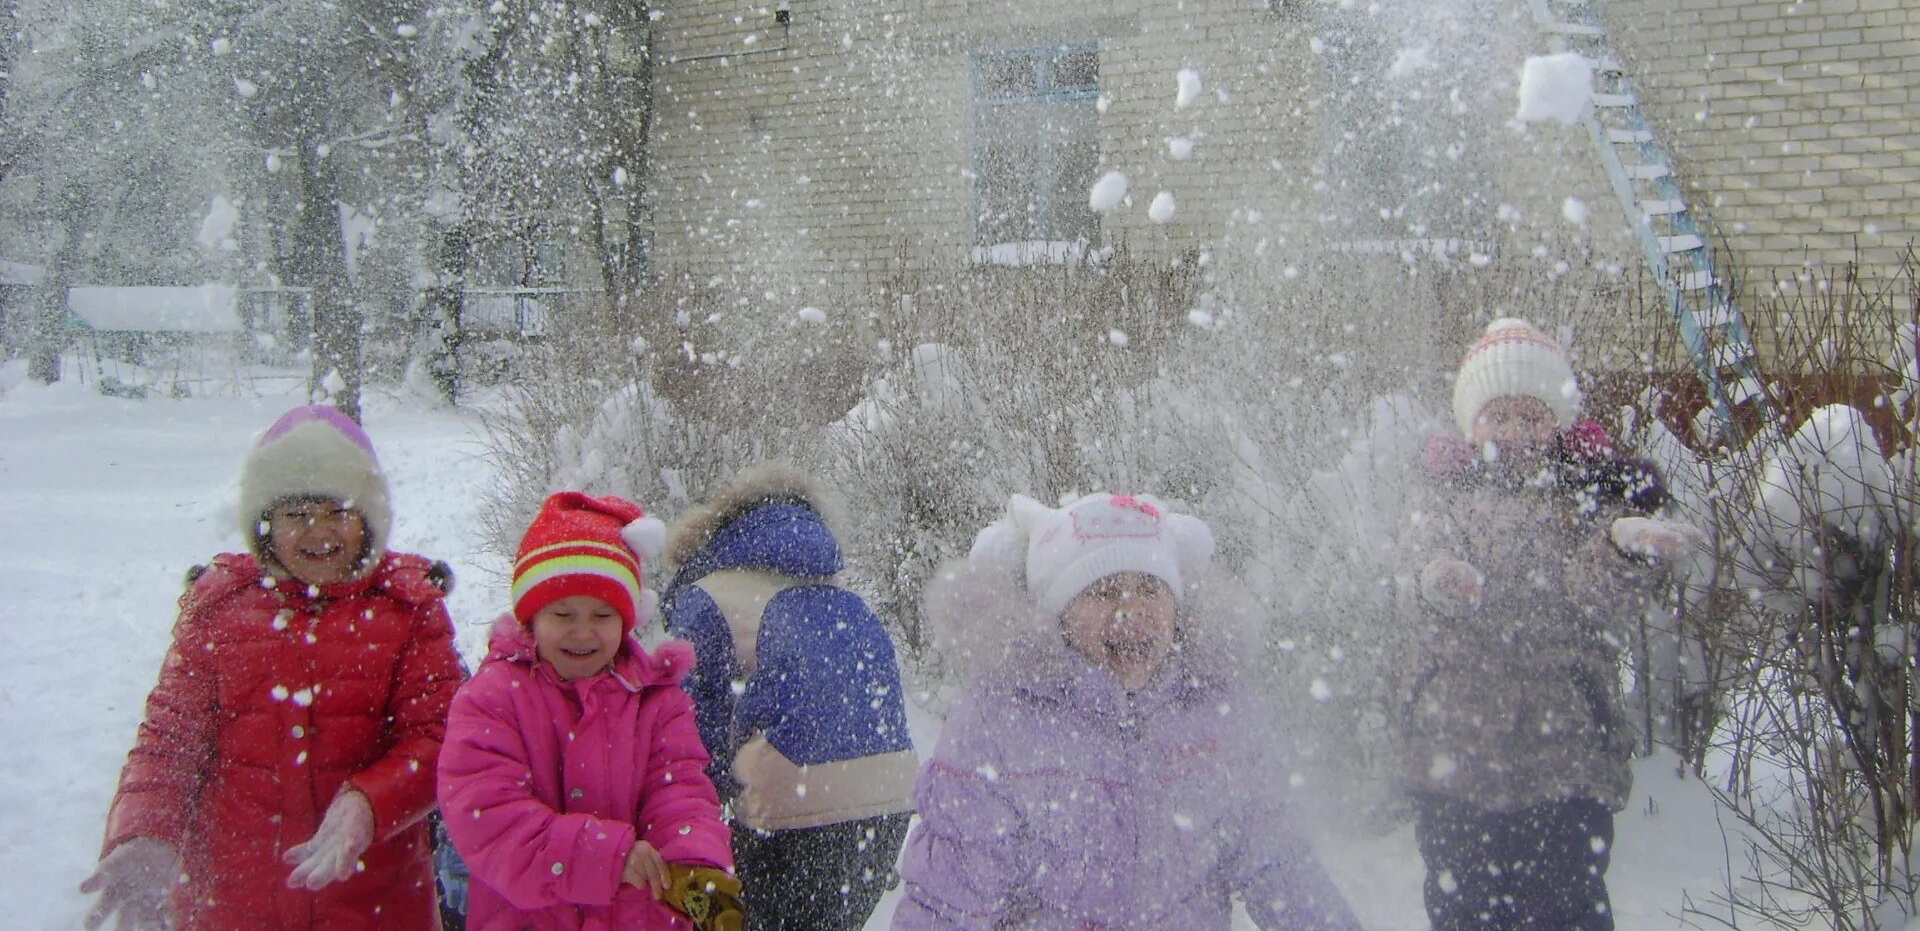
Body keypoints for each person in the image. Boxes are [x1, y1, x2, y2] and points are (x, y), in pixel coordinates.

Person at [893, 492, 1363, 931]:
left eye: (1150, 589)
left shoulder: (1218, 708)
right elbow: (948, 898)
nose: (1130, 608)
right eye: (1103, 591)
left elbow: (1281, 864)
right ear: (1058, 614)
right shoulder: (1000, 721)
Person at [82, 404, 464, 930]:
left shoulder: (409, 609)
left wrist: (369, 805)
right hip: (233, 902)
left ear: (368, 517)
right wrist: (146, 831)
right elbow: (171, 740)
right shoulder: (218, 610)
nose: (318, 532)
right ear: (265, 522)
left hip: (374, 900)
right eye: (295, 514)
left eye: (338, 511)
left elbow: (441, 738)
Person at [1401, 318, 1699, 930]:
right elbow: (1416, 569)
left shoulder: (1587, 495)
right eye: (1498, 417)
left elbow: (1592, 594)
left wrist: (1623, 546)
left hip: (1565, 753)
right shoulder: (1443, 495)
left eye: (1530, 417)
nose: (1513, 434)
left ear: (1556, 423)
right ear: (1471, 422)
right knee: (1463, 907)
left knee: (1564, 907)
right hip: (1459, 750)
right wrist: (1438, 577)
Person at [437, 491, 741, 931]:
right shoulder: (492, 698)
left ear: (626, 620)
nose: (583, 632)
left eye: (603, 615)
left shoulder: (657, 700)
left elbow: (679, 791)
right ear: (531, 618)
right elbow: (489, 818)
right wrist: (606, 857)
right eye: (562, 613)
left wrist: (693, 862)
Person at [662, 464, 917, 931]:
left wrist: (695, 813)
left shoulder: (705, 597)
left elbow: (687, 728)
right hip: (887, 802)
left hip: (783, 812)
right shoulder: (833, 592)